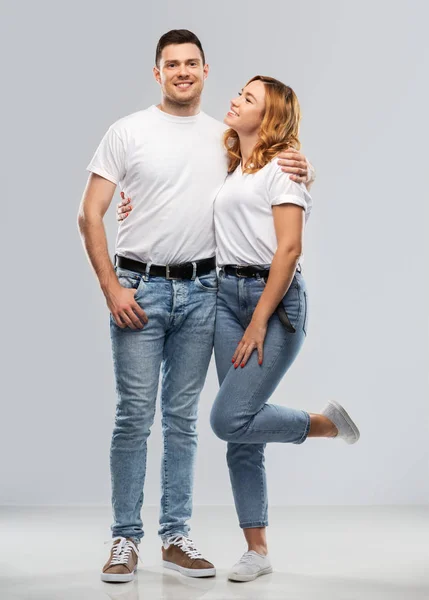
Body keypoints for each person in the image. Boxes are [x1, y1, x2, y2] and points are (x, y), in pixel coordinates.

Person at [77, 29, 314, 584]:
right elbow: (90, 213)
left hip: (205, 292)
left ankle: (175, 536)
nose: (182, 71)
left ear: (206, 71)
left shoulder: (226, 138)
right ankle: (124, 540)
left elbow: (268, 178)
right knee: (134, 415)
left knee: (183, 420)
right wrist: (112, 288)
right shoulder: (128, 131)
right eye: (171, 64)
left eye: (192, 63)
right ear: (157, 73)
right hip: (140, 289)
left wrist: (306, 169)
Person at [119, 76, 359, 585]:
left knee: (230, 418)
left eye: (248, 99)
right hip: (224, 296)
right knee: (242, 436)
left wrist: (257, 320)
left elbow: (289, 250)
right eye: (240, 93)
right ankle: (258, 550)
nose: (235, 99)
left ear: (268, 117)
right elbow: (178, 193)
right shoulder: (232, 165)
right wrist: (131, 203)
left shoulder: (284, 170)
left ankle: (322, 424)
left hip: (274, 305)